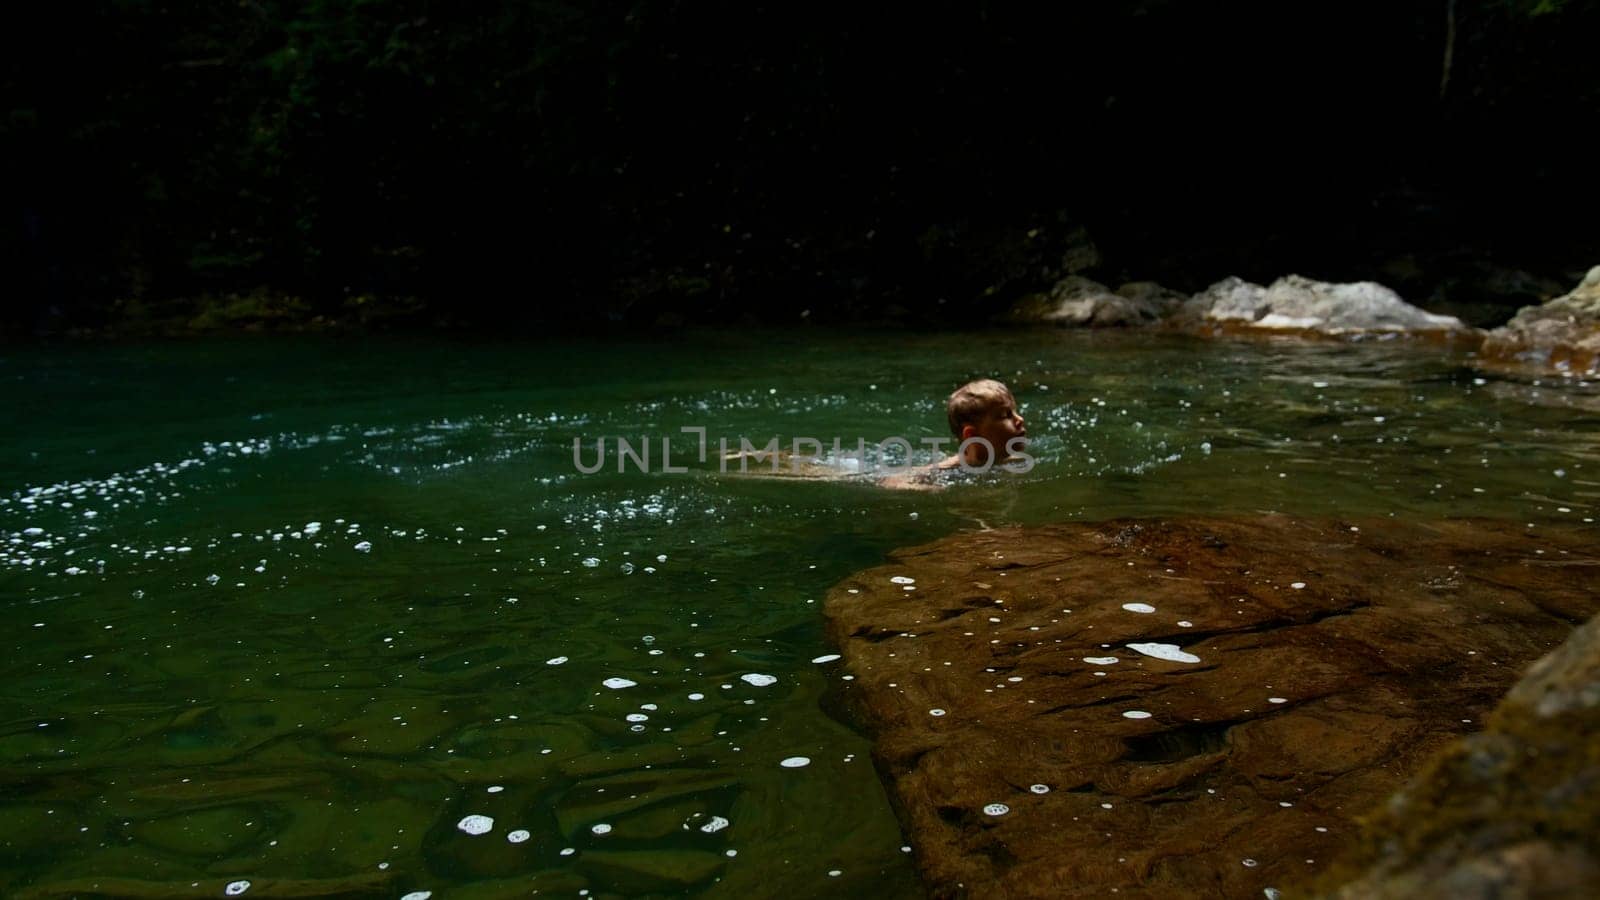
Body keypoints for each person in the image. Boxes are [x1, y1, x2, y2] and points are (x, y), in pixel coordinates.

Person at [881, 378, 1029, 491]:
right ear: (971, 435)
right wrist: (929, 489)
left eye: (1015, 412)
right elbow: (890, 481)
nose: (1020, 419)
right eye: (1005, 415)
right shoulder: (952, 469)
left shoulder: (1015, 462)